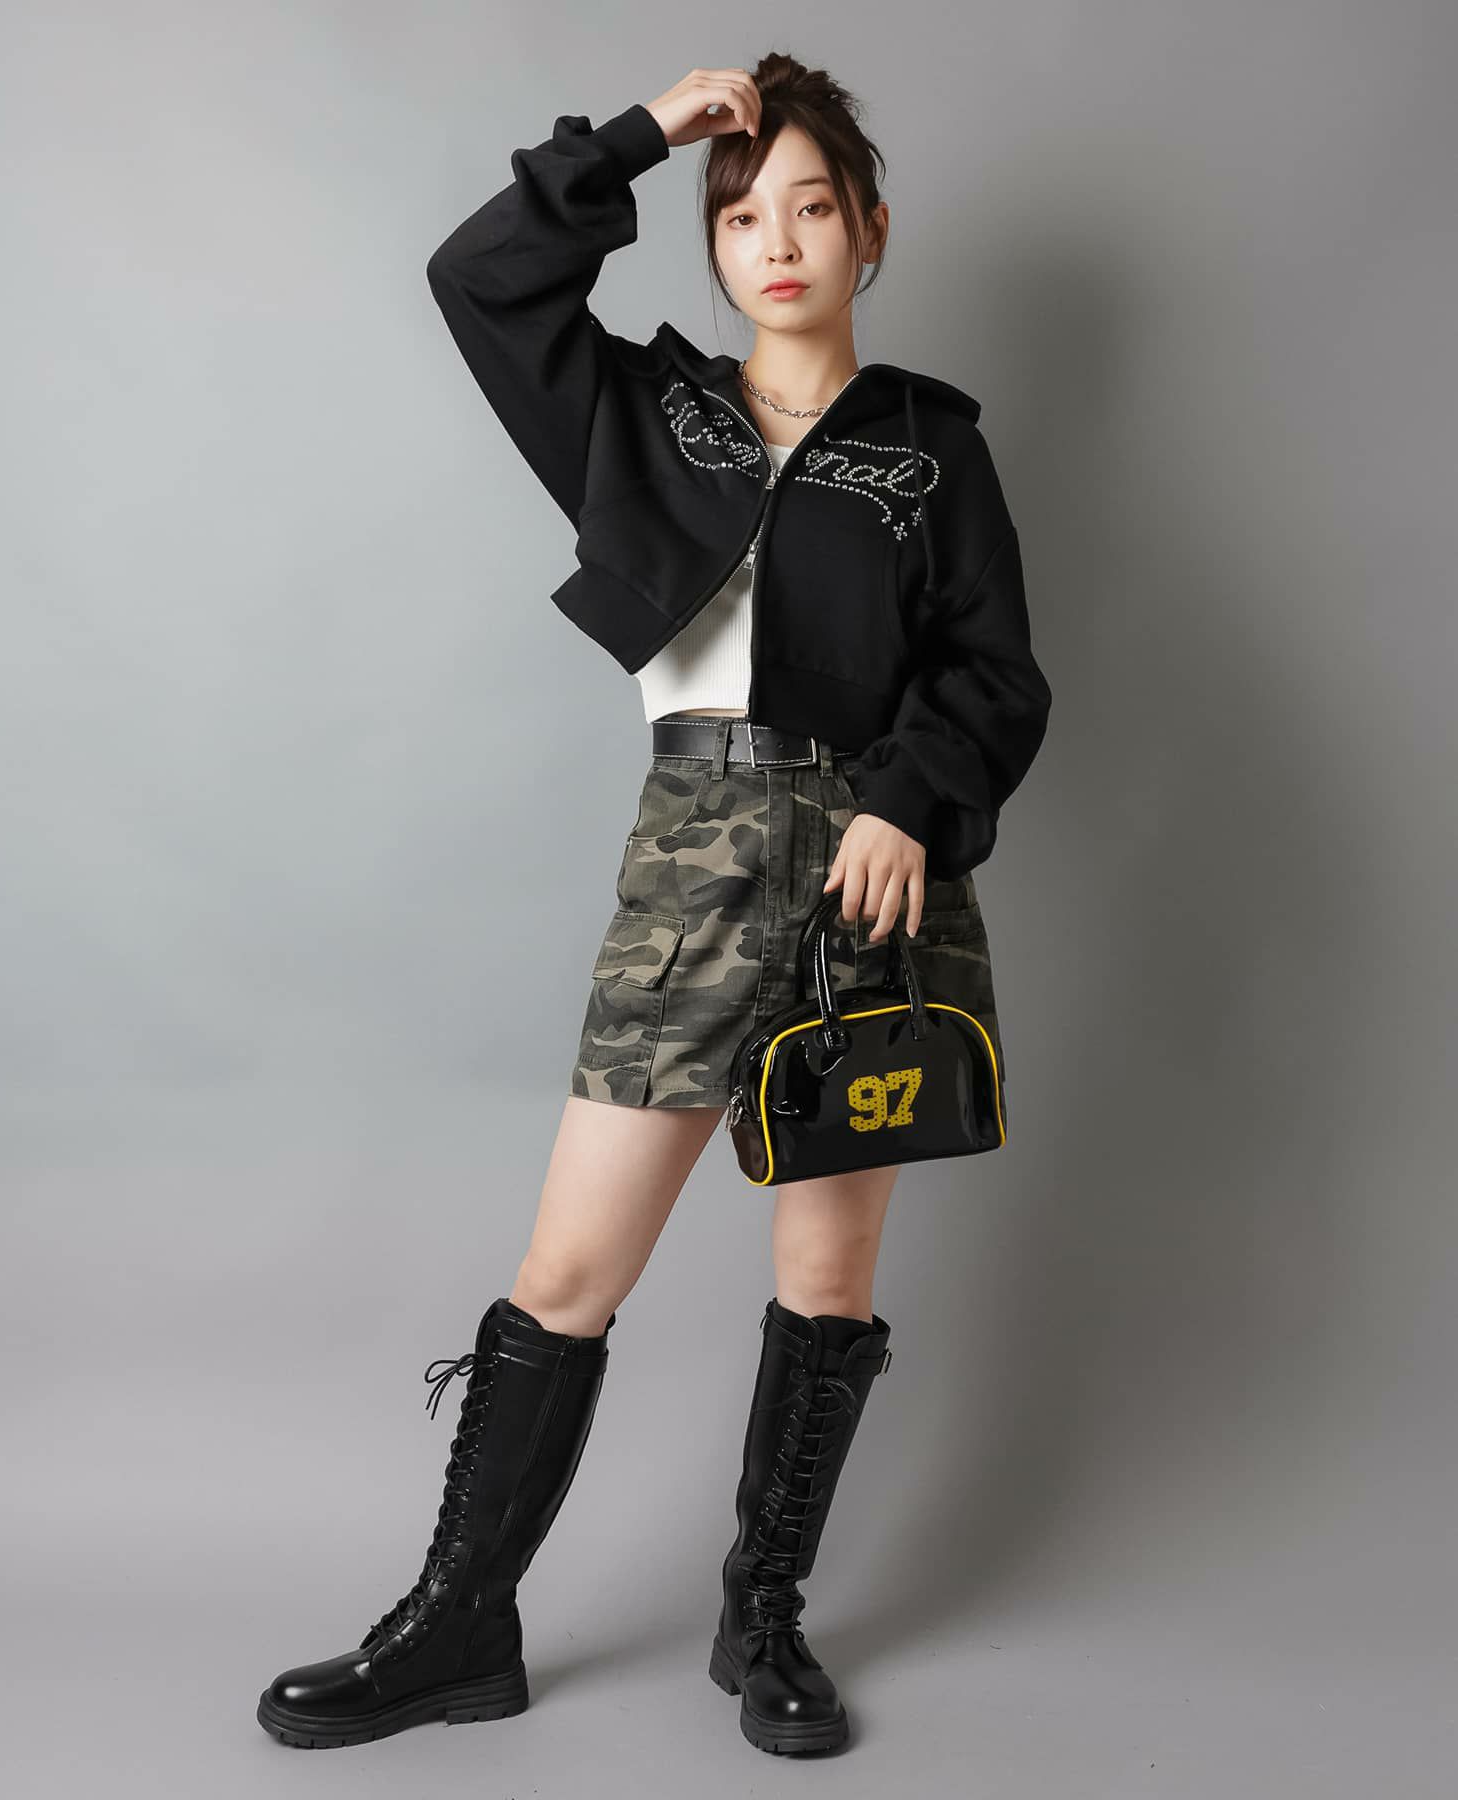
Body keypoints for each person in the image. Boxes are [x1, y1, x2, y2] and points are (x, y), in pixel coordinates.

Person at [257, 52, 1051, 1758]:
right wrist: (647, 134)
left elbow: (994, 674)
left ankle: (764, 1625)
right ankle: (460, 1624)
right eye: (745, 216)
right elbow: (480, 275)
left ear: (873, 231)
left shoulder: (934, 447)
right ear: (715, 244)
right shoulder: (645, 415)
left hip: (872, 883)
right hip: (693, 858)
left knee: (828, 1273)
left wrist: (908, 801)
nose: (781, 242)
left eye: (815, 209)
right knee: (568, 1267)